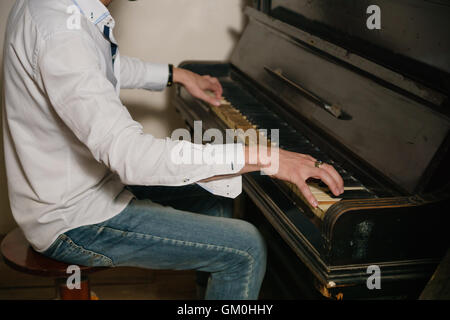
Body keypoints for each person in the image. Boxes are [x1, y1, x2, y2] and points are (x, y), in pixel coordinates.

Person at [2, 0, 344, 300]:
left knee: (215, 195)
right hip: (73, 218)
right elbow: (132, 157)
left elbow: (103, 68)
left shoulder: (61, 11)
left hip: (84, 183)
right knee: (247, 249)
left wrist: (176, 74)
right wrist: (267, 158)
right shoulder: (63, 33)